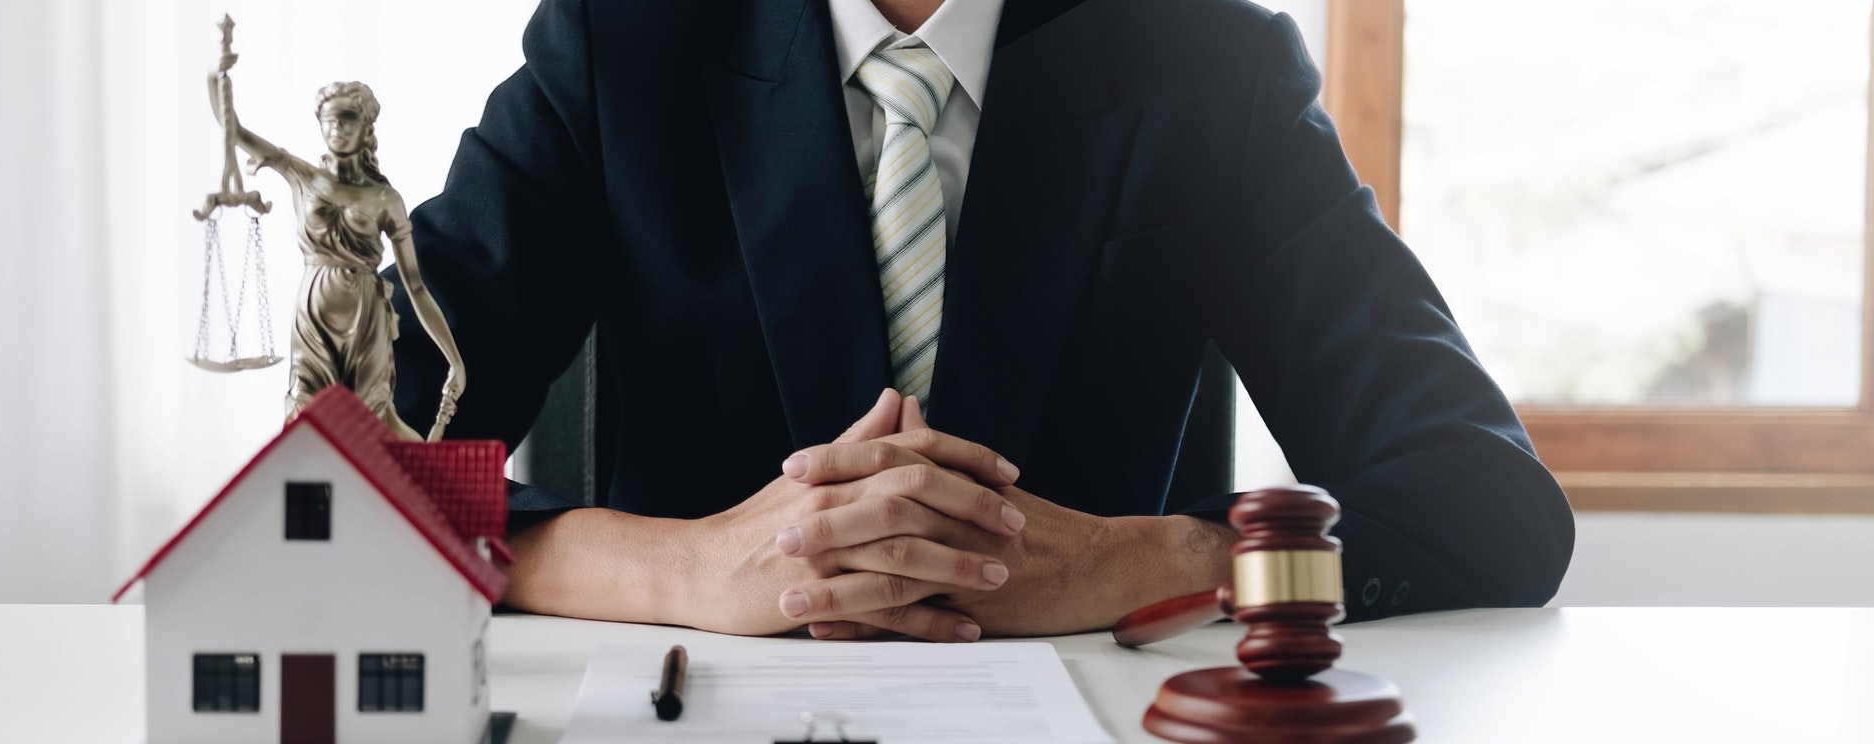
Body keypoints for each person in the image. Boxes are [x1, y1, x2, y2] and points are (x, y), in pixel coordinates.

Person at [386, 0, 1576, 641]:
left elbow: (1487, 503)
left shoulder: (1208, 60)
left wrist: (1151, 562)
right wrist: (676, 564)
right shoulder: (620, 38)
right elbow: (354, 466)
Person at [208, 53, 467, 440]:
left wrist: (454, 358)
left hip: (366, 320)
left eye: (348, 118)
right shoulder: (302, 177)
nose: (338, 127)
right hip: (313, 317)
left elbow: (415, 286)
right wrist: (217, 76)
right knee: (303, 418)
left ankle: (418, 486)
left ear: (367, 128)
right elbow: (235, 130)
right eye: (330, 119)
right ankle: (296, 497)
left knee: (376, 423)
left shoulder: (384, 199)